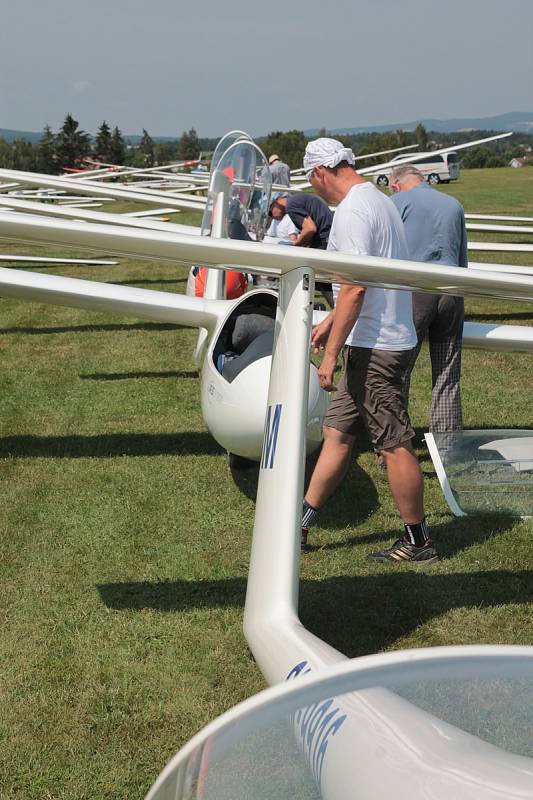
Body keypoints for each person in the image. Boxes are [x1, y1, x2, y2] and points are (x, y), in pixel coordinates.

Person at [300, 138, 437, 565]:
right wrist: (329, 322)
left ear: (320, 172)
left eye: (311, 180)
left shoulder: (354, 212)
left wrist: (329, 355)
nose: (314, 189)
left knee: (393, 443)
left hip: (377, 347)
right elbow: (363, 286)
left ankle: (418, 542)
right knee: (338, 434)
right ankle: (299, 526)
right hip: (375, 338)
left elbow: (356, 288)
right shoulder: (379, 201)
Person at [389, 164, 467, 435]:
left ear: (395, 185)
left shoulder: (396, 202)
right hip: (452, 290)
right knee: (447, 370)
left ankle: (395, 441)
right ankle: (447, 441)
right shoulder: (454, 204)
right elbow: (461, 258)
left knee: (398, 369)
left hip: (414, 291)